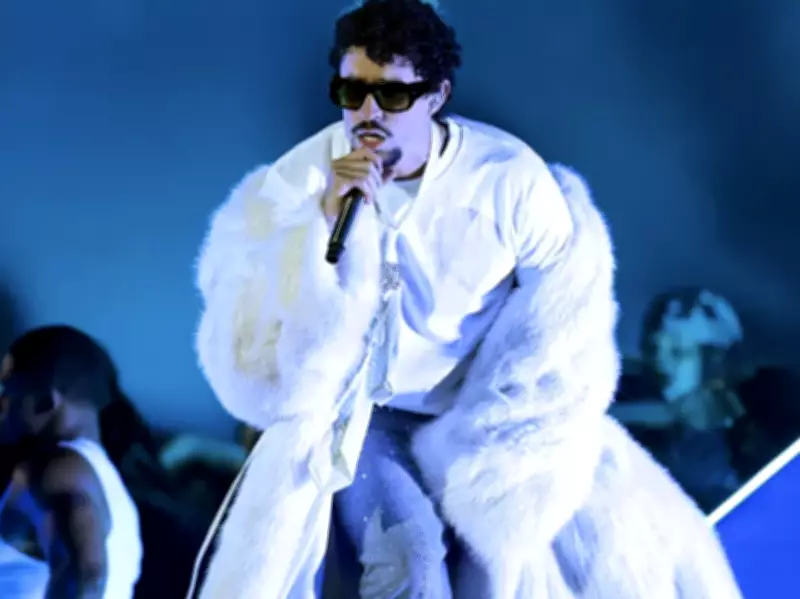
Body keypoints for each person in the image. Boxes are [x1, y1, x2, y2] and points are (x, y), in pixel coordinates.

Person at [192, 0, 743, 597]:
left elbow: (565, 323)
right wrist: (320, 229)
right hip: (363, 416)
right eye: (352, 92)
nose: (368, 113)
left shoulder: (509, 182)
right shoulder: (297, 184)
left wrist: (522, 435)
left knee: (509, 569)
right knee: (409, 558)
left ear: (436, 95)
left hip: (478, 418)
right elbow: (257, 358)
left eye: (392, 94)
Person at [0, 326, 142, 598]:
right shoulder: (105, 482)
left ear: (46, 401)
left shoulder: (60, 469)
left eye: (7, 388)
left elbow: (86, 575)